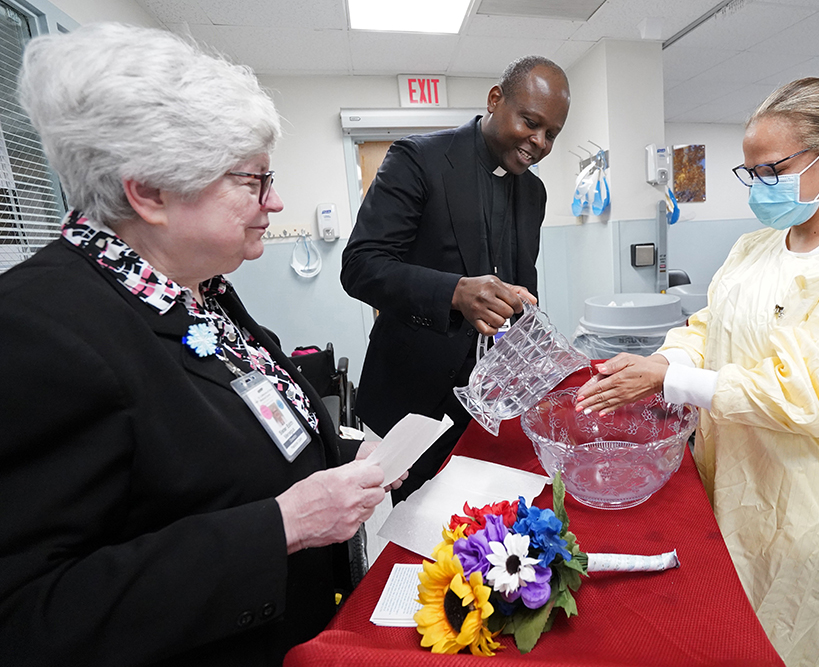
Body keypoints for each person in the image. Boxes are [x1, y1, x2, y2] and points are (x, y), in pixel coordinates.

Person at [0, 24, 404, 667]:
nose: (276, 202)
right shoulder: (37, 331)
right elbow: (29, 617)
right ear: (150, 192)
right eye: (252, 181)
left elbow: (237, 419)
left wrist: (344, 449)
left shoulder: (193, 287)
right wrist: (281, 527)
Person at [576, 78, 819, 666]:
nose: (759, 186)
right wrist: (664, 359)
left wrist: (672, 382)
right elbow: (712, 325)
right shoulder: (758, 248)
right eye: (750, 172)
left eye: (771, 169)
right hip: (741, 495)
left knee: (814, 645)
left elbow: (815, 393)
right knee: (739, 636)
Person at [341, 56, 571, 502]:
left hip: (491, 405)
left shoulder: (533, 192)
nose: (539, 142)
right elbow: (361, 266)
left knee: (489, 526)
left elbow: (524, 279)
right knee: (425, 536)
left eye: (552, 135)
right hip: (416, 398)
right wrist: (455, 292)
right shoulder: (418, 159)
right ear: (495, 100)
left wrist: (527, 312)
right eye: (531, 122)